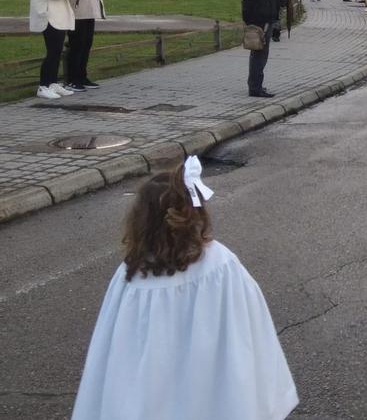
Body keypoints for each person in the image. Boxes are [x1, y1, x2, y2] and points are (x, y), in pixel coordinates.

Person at [71, 158, 298, 420]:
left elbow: (112, 348)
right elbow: (249, 327)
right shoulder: (220, 265)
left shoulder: (130, 274)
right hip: (208, 391)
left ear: (140, 220)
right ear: (193, 212)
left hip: (148, 398)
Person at [29, 0, 86, 100]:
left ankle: (52, 82)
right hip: (49, 15)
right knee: (52, 52)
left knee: (57, 51)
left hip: (59, 15)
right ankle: (44, 85)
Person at [238, 0, 287, 98]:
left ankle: (255, 85)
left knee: (258, 53)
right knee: (260, 53)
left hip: (260, 16)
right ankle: (255, 87)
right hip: (260, 18)